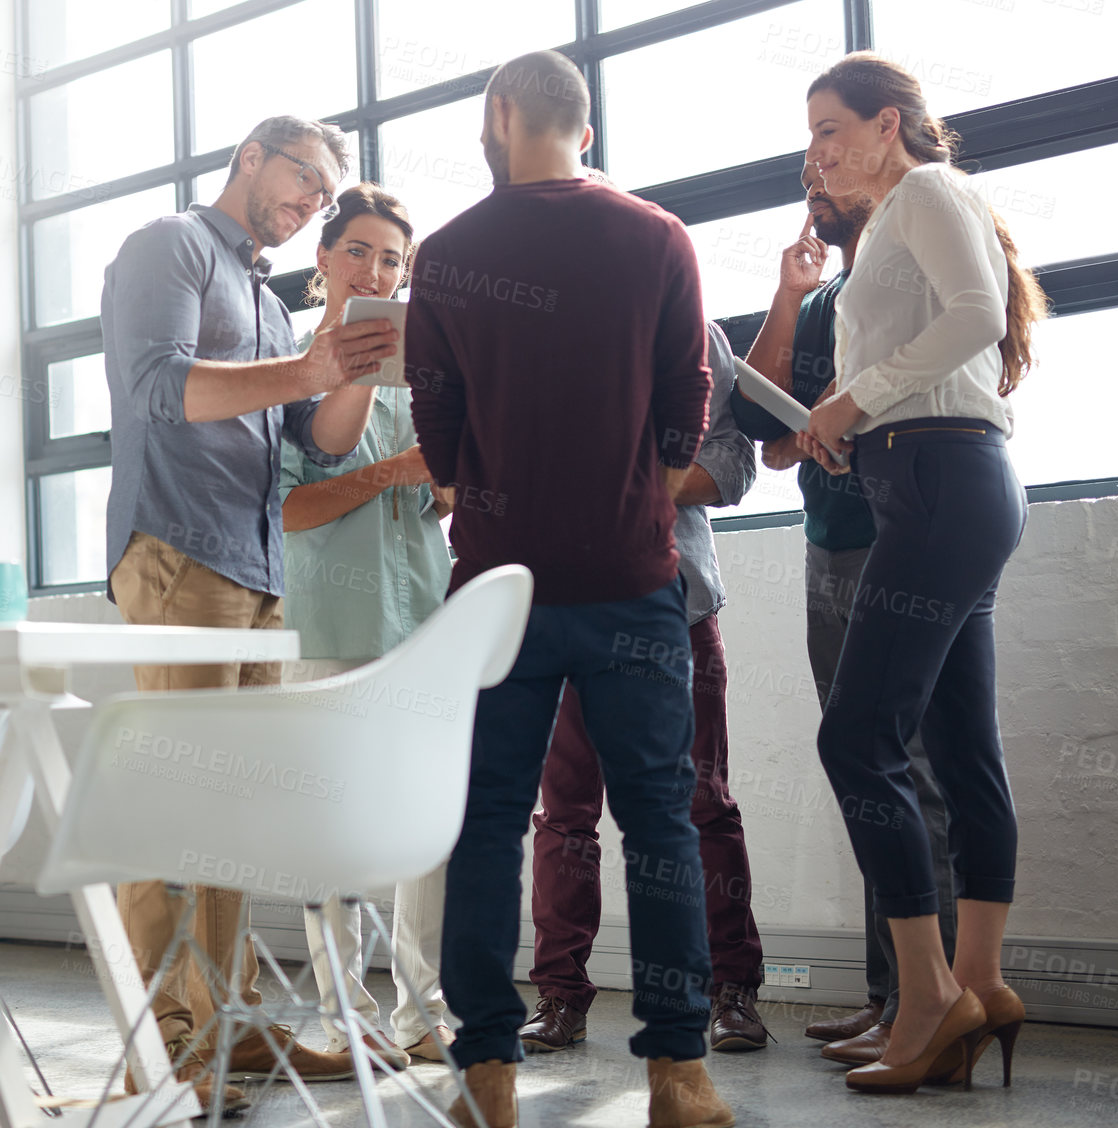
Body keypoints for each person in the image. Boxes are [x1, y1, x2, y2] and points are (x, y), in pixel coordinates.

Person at [410, 50, 734, 1128]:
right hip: (632, 577)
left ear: (499, 116)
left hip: (497, 589)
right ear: (580, 130)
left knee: (489, 821)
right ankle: (677, 1078)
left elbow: (440, 437)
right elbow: (687, 410)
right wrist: (635, 474)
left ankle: (486, 1081)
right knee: (659, 822)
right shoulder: (656, 237)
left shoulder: (449, 256)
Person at [101, 114, 402, 1108]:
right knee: (171, 803)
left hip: (257, 572)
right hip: (178, 552)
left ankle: (223, 1029)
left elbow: (314, 444)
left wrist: (342, 359)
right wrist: (311, 368)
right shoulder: (171, 247)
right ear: (248, 158)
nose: (312, 199)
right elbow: (156, 390)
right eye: (303, 178)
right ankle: (168, 1047)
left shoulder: (273, 308)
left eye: (323, 192)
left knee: (228, 816)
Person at [795, 52, 1045, 1093]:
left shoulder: (929, 190)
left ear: (887, 123)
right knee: (958, 745)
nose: (815, 155)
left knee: (856, 737)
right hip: (933, 479)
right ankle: (975, 986)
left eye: (828, 131)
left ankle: (927, 997)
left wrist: (851, 401)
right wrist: (855, 418)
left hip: (942, 477)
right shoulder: (882, 227)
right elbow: (932, 347)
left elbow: (977, 315)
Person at [730, 164, 959, 1065]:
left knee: (911, 766)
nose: (815, 178)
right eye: (806, 170)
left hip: (903, 535)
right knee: (871, 772)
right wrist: (786, 296)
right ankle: (887, 995)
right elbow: (771, 435)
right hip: (828, 549)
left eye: (830, 153)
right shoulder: (825, 298)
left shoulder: (909, 273)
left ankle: (923, 999)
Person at [523, 320, 765, 1058]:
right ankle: (559, 994)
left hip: (674, 607)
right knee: (565, 816)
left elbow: (732, 463)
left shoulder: (692, 335)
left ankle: (731, 992)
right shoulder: (531, 339)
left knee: (703, 805)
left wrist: (627, 480)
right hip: (557, 608)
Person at [278, 182, 457, 1072]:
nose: (376, 270)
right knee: (333, 829)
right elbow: (295, 510)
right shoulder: (286, 359)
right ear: (324, 259)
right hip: (328, 622)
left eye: (392, 258)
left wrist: (450, 476)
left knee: (424, 824)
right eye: (358, 251)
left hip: (421, 615)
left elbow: (442, 493)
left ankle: (424, 1012)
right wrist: (391, 474)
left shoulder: (423, 366)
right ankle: (342, 1012)